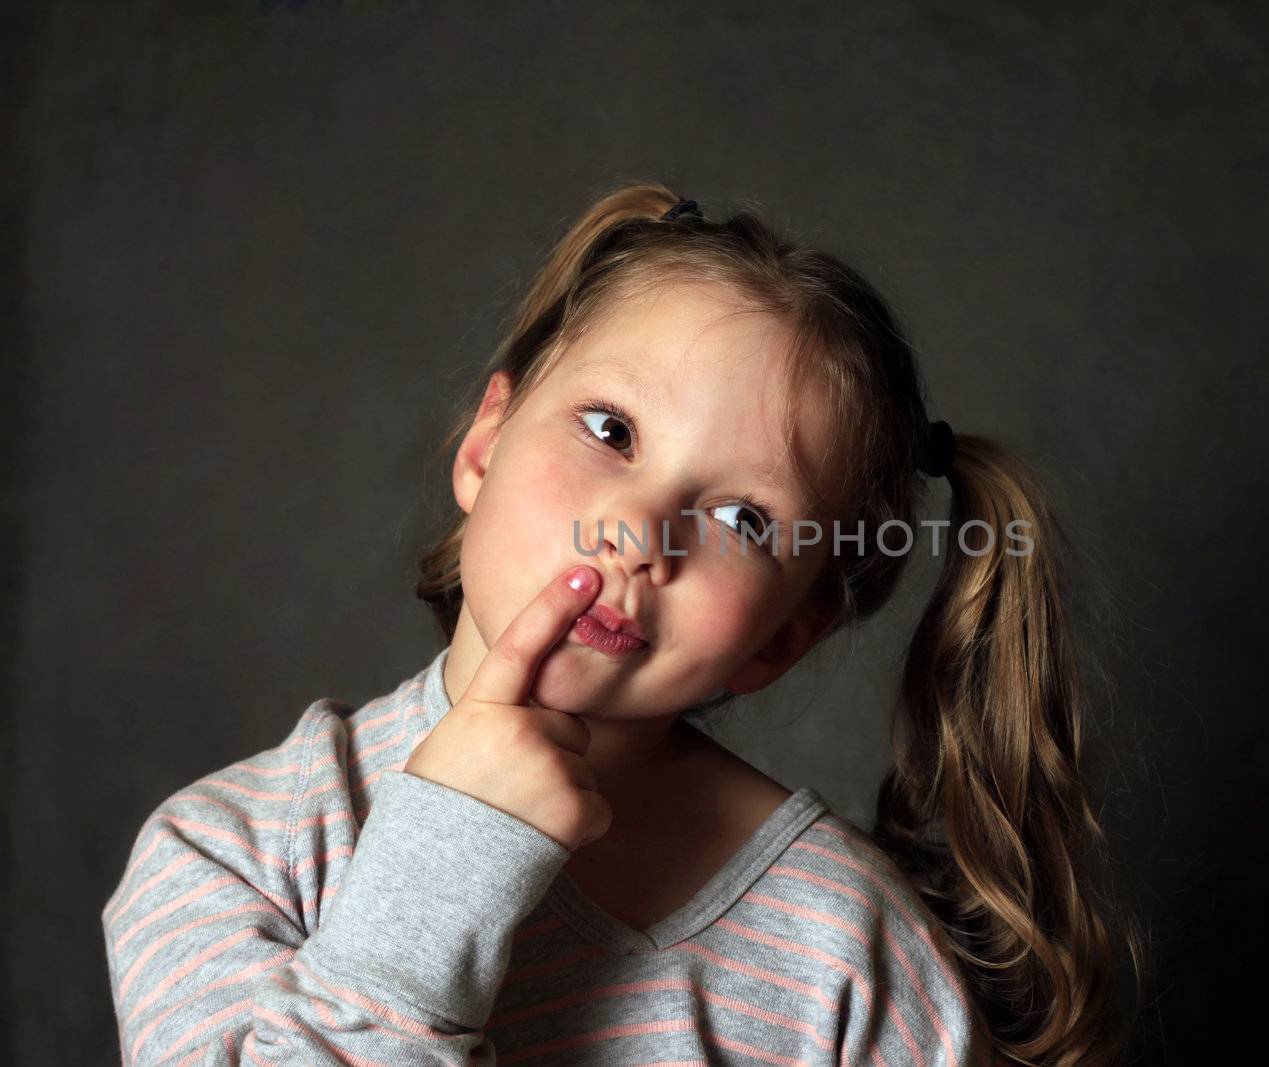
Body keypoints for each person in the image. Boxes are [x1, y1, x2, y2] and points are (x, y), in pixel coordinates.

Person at [103, 182, 1145, 1065]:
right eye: (610, 430)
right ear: (483, 446)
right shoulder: (229, 850)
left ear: (784, 633)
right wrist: (446, 859)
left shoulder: (851, 955)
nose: (642, 530)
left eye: (742, 516)